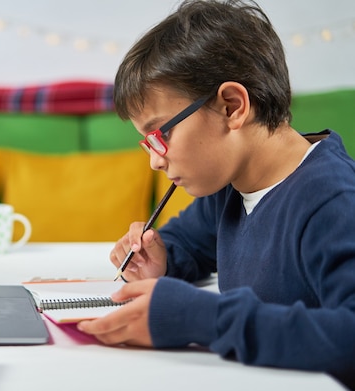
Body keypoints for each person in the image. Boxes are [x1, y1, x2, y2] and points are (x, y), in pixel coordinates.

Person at [75, 0, 355, 388]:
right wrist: (163, 258)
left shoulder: (334, 201)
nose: (155, 162)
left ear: (231, 107)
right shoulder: (230, 189)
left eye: (161, 134)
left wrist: (203, 317)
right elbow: (187, 242)